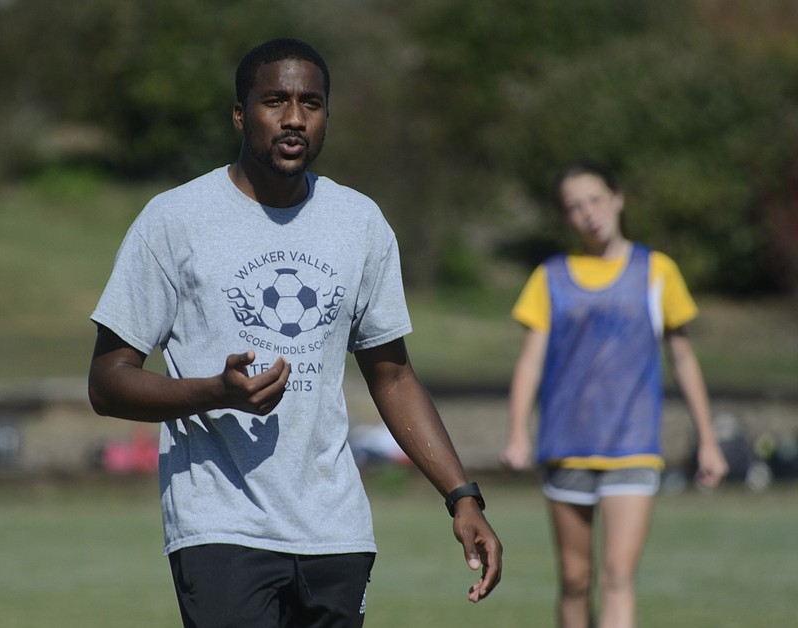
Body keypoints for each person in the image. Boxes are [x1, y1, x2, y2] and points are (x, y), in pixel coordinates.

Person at [89, 38, 501, 628]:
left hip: (336, 531)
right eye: (274, 101)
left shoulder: (359, 223)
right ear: (240, 114)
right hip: (221, 527)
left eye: (311, 103)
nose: (293, 118)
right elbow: (106, 384)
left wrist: (463, 497)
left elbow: (393, 375)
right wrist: (216, 392)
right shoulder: (173, 221)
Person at [501, 158, 728, 628]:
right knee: (575, 580)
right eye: (575, 206)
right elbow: (530, 361)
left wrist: (707, 438)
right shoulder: (550, 277)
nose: (589, 213)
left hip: (633, 446)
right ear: (566, 217)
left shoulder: (658, 271)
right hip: (565, 446)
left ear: (618, 198)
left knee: (619, 576)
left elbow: (683, 358)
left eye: (596, 199)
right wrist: (518, 434)